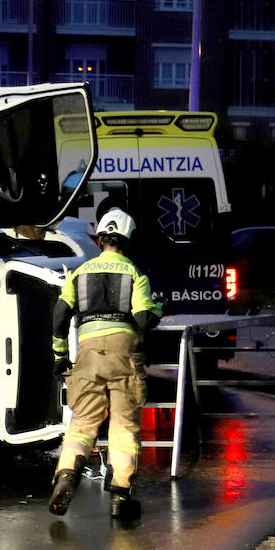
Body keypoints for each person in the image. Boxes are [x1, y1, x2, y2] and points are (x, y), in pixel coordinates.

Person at [48, 209, 163, 520]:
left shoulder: (79, 273)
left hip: (87, 355)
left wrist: (60, 355)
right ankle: (120, 497)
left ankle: (67, 476)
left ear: (99, 240)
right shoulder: (135, 274)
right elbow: (142, 318)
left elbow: (60, 314)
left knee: (82, 425)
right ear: (129, 241)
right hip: (124, 355)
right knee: (124, 427)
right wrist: (158, 308)